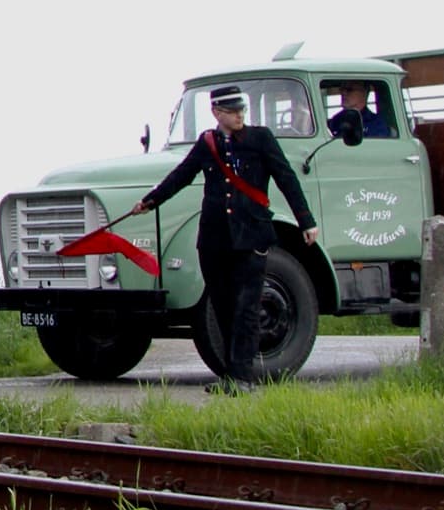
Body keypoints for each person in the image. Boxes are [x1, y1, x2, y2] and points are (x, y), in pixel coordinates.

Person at [127, 86, 319, 385]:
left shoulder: (261, 139)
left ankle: (243, 377)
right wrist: (151, 201)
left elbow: (286, 178)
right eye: (232, 111)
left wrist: (305, 220)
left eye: (241, 109)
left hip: (251, 235)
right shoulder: (208, 142)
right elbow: (181, 175)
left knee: (247, 307)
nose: (240, 115)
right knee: (224, 306)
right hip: (215, 239)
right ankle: (231, 375)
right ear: (217, 113)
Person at [326, 82, 395, 140]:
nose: (343, 93)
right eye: (342, 89)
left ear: (364, 92)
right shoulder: (336, 120)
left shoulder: (377, 124)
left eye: (349, 90)